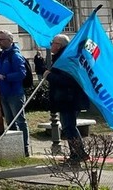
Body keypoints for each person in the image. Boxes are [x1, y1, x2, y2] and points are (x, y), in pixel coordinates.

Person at [45, 34, 88, 163]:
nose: (51, 45)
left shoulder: (66, 59)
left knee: (69, 127)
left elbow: (69, 80)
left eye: (53, 42)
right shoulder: (60, 57)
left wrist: (50, 76)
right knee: (68, 127)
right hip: (65, 99)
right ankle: (77, 153)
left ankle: (78, 153)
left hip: (70, 99)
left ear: (59, 45)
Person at [0, 31, 30, 157]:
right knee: (10, 121)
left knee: (20, 120)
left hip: (15, 93)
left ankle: (25, 147)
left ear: (10, 40)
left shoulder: (15, 56)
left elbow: (22, 73)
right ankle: (14, 147)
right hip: (4, 93)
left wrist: (5, 77)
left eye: (2, 40)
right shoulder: (1, 55)